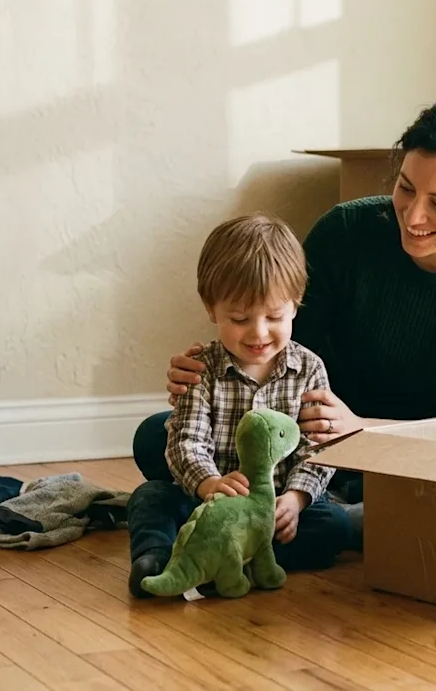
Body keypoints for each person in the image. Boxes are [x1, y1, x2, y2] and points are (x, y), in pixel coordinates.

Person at [141, 93, 436, 548]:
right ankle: (330, 515)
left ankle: (338, 517)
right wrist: (206, 378)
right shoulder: (344, 232)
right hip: (312, 439)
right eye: (406, 187)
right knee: (152, 436)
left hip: (427, 452)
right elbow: (277, 349)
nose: (413, 215)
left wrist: (364, 426)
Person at [126, 213, 352, 598]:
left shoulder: (310, 369)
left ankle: (228, 561)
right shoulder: (203, 369)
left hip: (276, 506)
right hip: (211, 505)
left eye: (275, 316)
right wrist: (209, 484)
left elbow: (319, 450)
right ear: (212, 309)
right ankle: (157, 557)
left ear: (296, 306)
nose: (259, 332)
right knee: (150, 498)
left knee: (334, 525)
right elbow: (185, 442)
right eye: (240, 318)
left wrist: (296, 501)